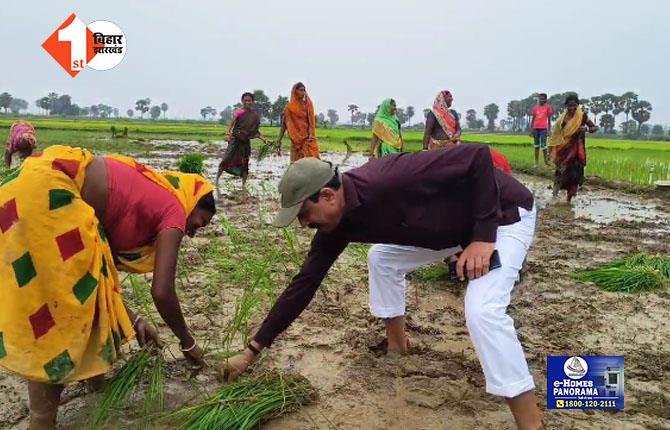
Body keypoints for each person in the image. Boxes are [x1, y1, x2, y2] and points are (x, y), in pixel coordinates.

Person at [224, 145, 543, 430]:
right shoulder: (335, 226)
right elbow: (304, 284)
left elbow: (477, 156)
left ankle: (531, 423)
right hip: (449, 231)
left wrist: (483, 237)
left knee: (482, 311)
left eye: (305, 215)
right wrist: (251, 352)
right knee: (382, 258)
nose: (305, 225)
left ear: (328, 196)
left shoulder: (390, 178)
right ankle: (397, 346)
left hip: (503, 218)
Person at [0, 145, 215, 429]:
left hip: (22, 188)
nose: (191, 232)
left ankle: (95, 392)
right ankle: (42, 419)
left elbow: (96, 282)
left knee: (74, 300)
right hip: (50, 194)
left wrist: (135, 319)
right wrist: (188, 343)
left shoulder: (143, 191)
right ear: (194, 200)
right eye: (198, 224)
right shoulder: (174, 209)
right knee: (61, 317)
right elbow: (162, 291)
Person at [216, 92, 268, 196]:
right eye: (245, 100)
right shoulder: (238, 112)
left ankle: (243, 185)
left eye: (249, 100)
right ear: (242, 101)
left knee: (245, 164)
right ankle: (216, 181)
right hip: (235, 141)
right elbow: (231, 124)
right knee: (226, 160)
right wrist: (227, 134)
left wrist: (264, 139)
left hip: (245, 143)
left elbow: (255, 132)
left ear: (252, 102)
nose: (247, 102)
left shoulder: (254, 116)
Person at [549, 94, 598, 203]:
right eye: (569, 106)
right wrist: (552, 151)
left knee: (574, 175)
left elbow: (594, 127)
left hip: (577, 150)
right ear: (566, 106)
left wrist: (586, 129)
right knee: (560, 172)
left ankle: (568, 200)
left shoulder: (582, 116)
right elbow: (556, 135)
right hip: (563, 150)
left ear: (578, 106)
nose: (572, 108)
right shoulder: (561, 119)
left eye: (574, 106)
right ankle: (554, 196)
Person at [277, 82, 320, 161]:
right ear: (295, 91)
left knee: (312, 163)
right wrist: (279, 140)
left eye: (304, 90)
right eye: (300, 90)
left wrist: (310, 135)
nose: (303, 93)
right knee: (296, 165)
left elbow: (311, 123)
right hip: (296, 142)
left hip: (308, 141)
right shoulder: (289, 108)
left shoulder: (308, 105)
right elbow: (284, 125)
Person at [529, 93, 553, 168]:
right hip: (536, 128)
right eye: (540, 99)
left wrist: (549, 130)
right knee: (536, 146)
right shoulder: (535, 108)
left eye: (543, 99)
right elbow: (533, 119)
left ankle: (546, 163)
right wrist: (531, 129)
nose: (541, 100)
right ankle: (536, 163)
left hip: (543, 129)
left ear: (546, 99)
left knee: (544, 146)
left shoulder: (548, 107)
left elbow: (549, 120)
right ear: (538, 99)